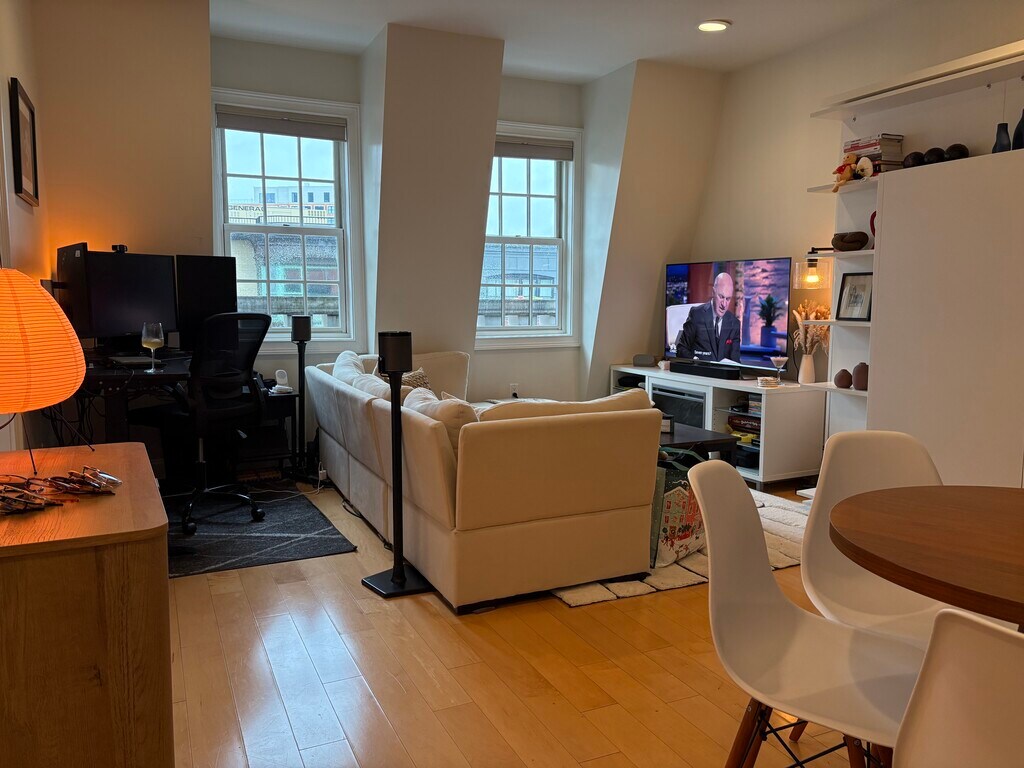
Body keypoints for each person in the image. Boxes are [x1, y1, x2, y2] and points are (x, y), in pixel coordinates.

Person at [675, 272, 741, 362]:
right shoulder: (696, 314)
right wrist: (695, 361)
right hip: (698, 369)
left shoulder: (734, 323)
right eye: (721, 297)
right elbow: (681, 348)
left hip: (723, 371)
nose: (724, 304)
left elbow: (735, 361)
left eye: (728, 299)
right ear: (713, 292)